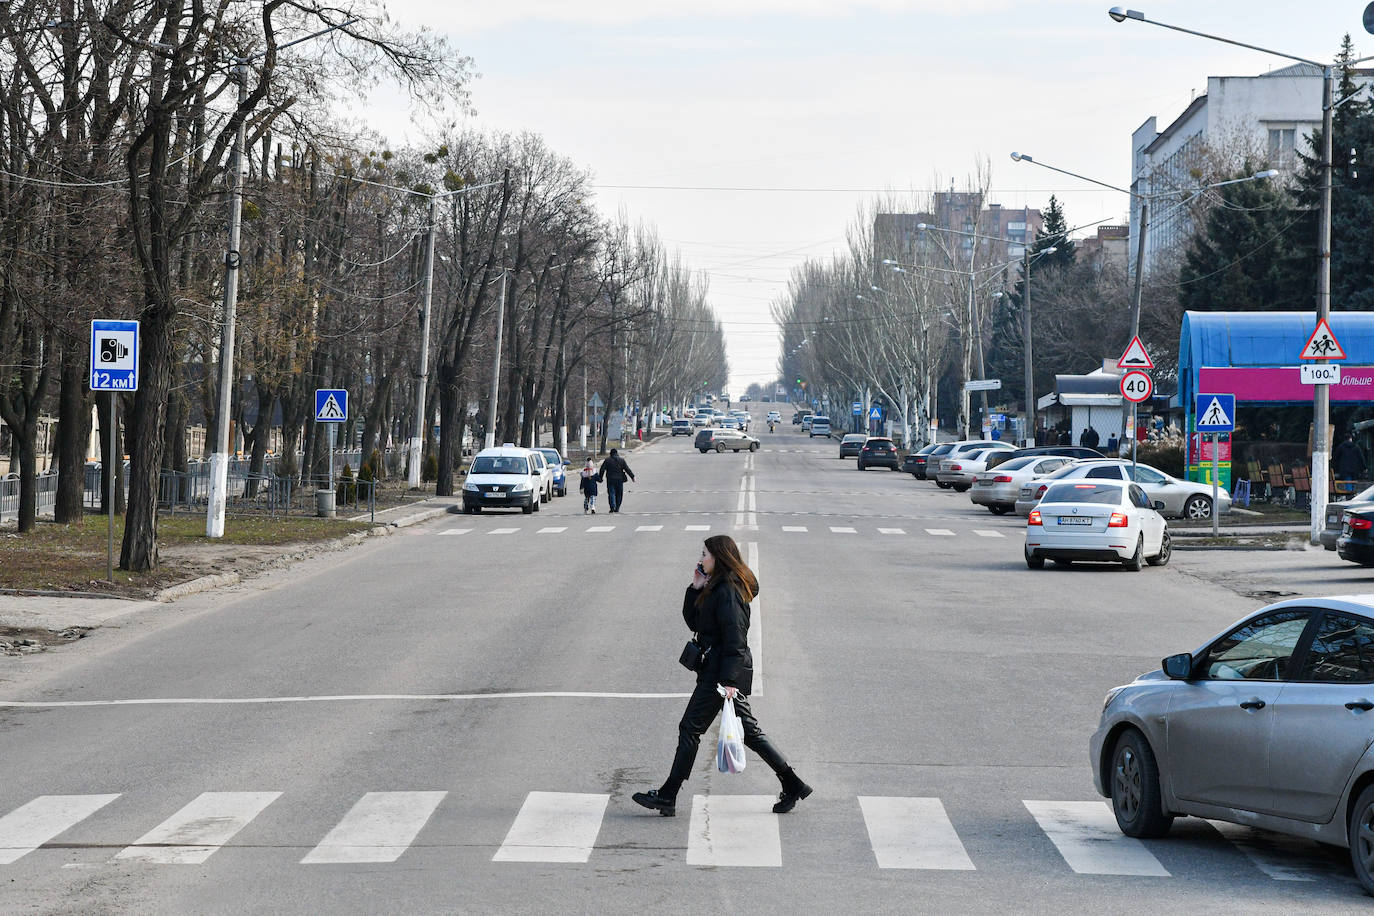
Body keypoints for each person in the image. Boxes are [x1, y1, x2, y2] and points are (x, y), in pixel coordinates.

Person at [632, 535, 811, 818]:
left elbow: (736, 639)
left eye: (705, 554)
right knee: (748, 732)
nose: (700, 559)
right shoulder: (715, 586)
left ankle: (668, 794)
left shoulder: (729, 591)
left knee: (690, 728)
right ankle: (792, 783)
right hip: (721, 669)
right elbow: (695, 623)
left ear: (719, 557)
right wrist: (695, 587)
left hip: (722, 673)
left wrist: (728, 682)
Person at [599, 448, 636, 513]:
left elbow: (602, 469)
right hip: (619, 480)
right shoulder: (621, 460)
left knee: (611, 493)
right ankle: (617, 508)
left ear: (611, 454)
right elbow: (627, 469)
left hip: (610, 479)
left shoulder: (607, 460)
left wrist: (600, 478)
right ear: (617, 453)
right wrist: (632, 477)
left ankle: (612, 506)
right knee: (619, 494)